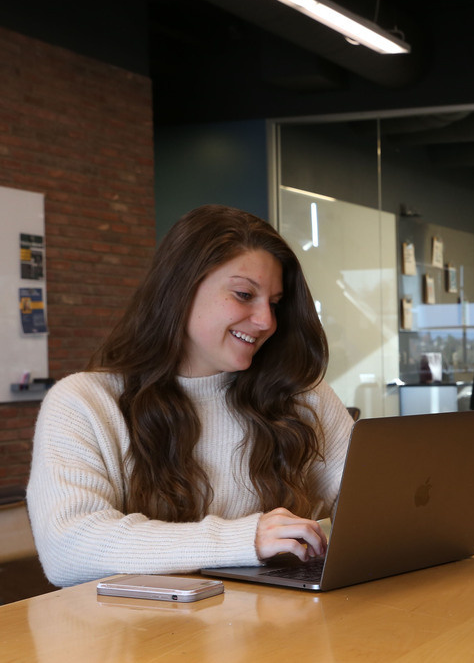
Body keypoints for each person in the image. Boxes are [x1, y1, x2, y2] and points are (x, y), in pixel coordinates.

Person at [27, 205, 354, 587]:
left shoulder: (301, 394)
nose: (266, 321)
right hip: (142, 625)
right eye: (244, 294)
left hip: (279, 618)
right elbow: (68, 549)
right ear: (180, 290)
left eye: (275, 303)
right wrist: (243, 540)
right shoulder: (82, 403)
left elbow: (373, 500)